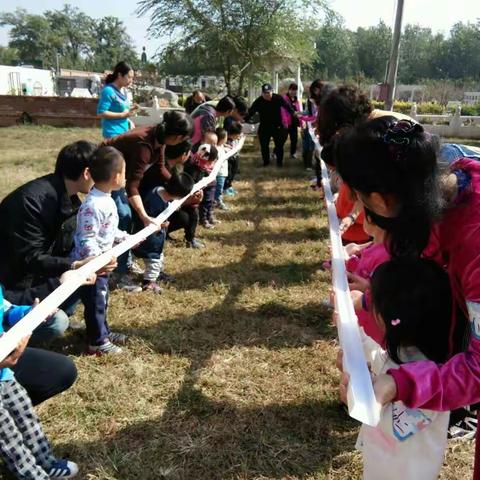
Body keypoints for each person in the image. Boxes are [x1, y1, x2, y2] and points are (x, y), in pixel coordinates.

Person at [333, 116, 480, 477]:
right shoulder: (446, 187)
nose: (362, 218)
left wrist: (398, 384)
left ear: (382, 201)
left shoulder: (474, 242)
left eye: (361, 203)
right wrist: (372, 304)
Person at [354, 258, 451, 480]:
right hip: (384, 462)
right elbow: (383, 363)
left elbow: (397, 427)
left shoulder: (432, 379)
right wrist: (356, 338)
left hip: (407, 472)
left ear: (384, 317)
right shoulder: (407, 352)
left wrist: (359, 388)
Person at [0, 142, 103, 339]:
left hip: (37, 276)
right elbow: (29, 259)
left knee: (88, 276)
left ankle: (63, 311)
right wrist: (74, 266)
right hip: (12, 288)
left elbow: (66, 247)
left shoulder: (70, 198)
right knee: (57, 323)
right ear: (88, 173)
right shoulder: (30, 202)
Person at [102, 112, 193, 290]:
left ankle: (125, 261)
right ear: (178, 137)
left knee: (126, 214)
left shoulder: (159, 138)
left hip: (121, 174)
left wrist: (180, 188)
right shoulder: (144, 144)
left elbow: (160, 169)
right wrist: (144, 216)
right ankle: (118, 274)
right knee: (124, 215)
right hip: (106, 170)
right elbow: (132, 186)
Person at [0, 288, 79, 479]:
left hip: (4, 373)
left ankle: (45, 461)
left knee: (24, 413)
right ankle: (32, 474)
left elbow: (6, 310)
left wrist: (30, 313)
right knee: (7, 433)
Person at [70, 147, 132, 355]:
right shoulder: (93, 205)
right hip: (91, 268)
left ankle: (103, 331)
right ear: (115, 177)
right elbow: (87, 237)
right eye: (124, 172)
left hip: (102, 264)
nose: (126, 176)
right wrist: (96, 262)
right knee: (96, 302)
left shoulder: (106, 198)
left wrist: (123, 237)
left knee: (101, 300)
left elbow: (108, 229)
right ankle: (97, 341)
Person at [134, 172, 194, 293]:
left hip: (155, 238)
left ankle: (156, 275)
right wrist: (161, 224)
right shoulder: (155, 202)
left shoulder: (159, 190)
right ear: (179, 195)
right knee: (154, 260)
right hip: (151, 239)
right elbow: (149, 221)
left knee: (157, 258)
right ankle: (149, 282)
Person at [246, 83, 296, 167]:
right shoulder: (259, 101)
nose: (267, 95)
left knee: (279, 145)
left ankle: (279, 163)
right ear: (262, 93)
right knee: (264, 145)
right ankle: (266, 162)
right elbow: (251, 112)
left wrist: (293, 113)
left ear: (272, 91)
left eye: (268, 92)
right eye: (265, 93)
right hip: (264, 126)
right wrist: (243, 120)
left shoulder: (278, 98)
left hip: (277, 126)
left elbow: (287, 106)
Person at [97, 61, 138, 140]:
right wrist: (123, 115)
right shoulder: (108, 91)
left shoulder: (123, 91)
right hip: (113, 134)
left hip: (124, 132)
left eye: (132, 78)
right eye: (129, 77)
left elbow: (121, 110)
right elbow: (101, 113)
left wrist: (129, 119)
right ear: (119, 75)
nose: (131, 81)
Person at [281, 83, 302, 160]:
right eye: (292, 90)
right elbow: (283, 111)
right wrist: (285, 122)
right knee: (282, 139)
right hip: (286, 123)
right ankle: (275, 152)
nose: (293, 92)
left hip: (294, 123)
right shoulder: (284, 99)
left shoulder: (296, 100)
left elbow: (298, 111)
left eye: (295, 90)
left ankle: (292, 153)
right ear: (289, 90)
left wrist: (301, 122)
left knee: (294, 139)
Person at [223, 121, 243, 196]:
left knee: (233, 173)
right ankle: (225, 188)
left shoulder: (236, 140)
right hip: (229, 160)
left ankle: (229, 186)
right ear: (234, 134)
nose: (240, 136)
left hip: (235, 158)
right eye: (239, 134)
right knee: (229, 173)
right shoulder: (226, 140)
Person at [214, 128, 229, 210]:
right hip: (219, 173)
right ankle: (217, 202)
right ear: (222, 138)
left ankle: (217, 200)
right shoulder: (217, 149)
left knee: (220, 188)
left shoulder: (221, 146)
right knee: (218, 188)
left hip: (223, 173)